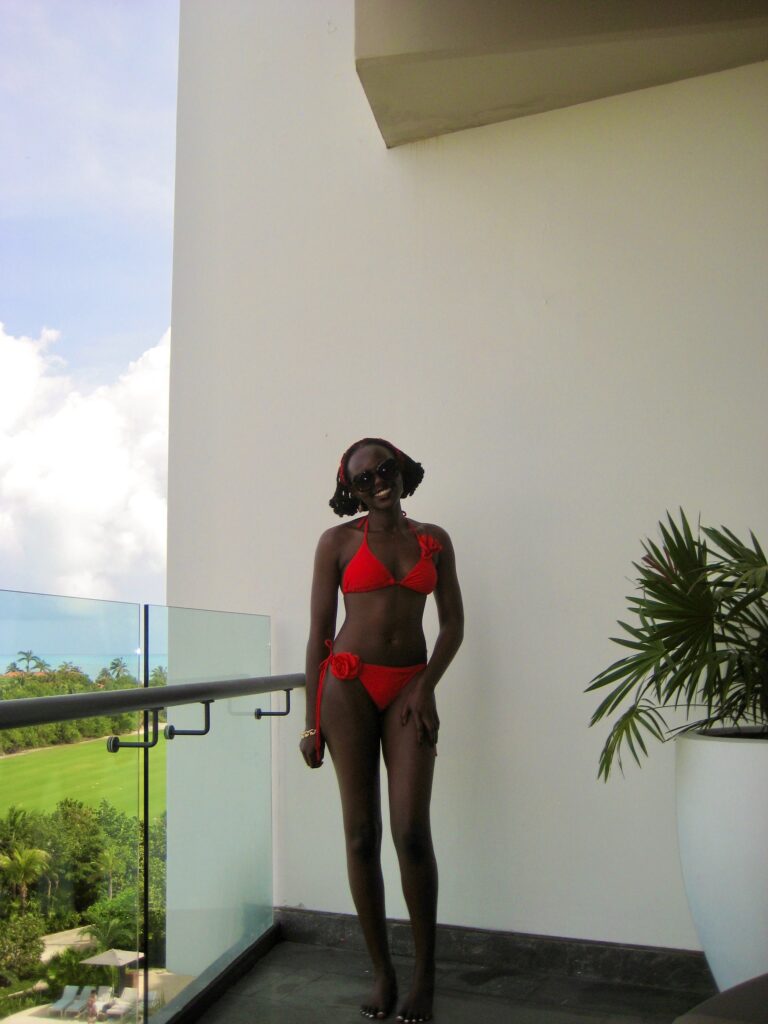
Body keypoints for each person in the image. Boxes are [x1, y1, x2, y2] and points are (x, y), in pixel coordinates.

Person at [301, 438, 464, 1023]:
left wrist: (424, 687)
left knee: (411, 832)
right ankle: (381, 972)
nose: (378, 483)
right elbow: (320, 634)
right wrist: (310, 721)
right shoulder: (337, 544)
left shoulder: (434, 540)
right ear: (351, 489)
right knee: (359, 834)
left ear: (404, 469)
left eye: (386, 470)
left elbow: (452, 626)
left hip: (408, 689)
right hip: (345, 687)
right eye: (364, 479)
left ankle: (425, 975)